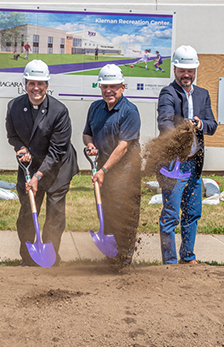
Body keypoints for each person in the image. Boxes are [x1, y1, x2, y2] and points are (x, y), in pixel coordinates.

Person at [5, 60, 78, 267]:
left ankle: (50, 257)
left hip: (58, 168)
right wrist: (21, 148)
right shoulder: (14, 106)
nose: (36, 88)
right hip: (30, 165)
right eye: (31, 83)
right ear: (25, 83)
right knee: (28, 212)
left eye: (41, 83)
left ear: (47, 85)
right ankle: (28, 258)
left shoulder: (59, 111)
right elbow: (12, 135)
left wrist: (38, 176)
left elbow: (57, 150)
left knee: (54, 214)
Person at [156, 45, 217, 264]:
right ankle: (170, 261)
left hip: (194, 165)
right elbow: (164, 122)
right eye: (182, 70)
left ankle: (188, 256)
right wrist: (182, 132)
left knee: (192, 213)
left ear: (195, 70)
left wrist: (200, 124)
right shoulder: (168, 93)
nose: (186, 75)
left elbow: (212, 125)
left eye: (190, 70)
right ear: (175, 69)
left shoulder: (203, 94)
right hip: (173, 165)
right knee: (171, 215)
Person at [83, 64, 141, 265]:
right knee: (106, 212)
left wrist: (104, 170)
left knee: (122, 214)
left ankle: (124, 260)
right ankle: (111, 257)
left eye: (113, 86)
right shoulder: (95, 108)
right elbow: (87, 133)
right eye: (104, 86)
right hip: (103, 170)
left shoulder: (129, 111)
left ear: (122, 87)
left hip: (126, 173)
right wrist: (90, 145)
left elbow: (123, 147)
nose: (108, 90)